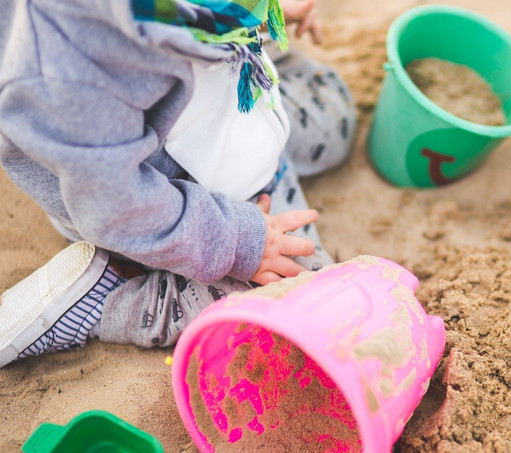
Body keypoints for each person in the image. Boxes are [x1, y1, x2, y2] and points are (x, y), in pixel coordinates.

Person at [0, 0, 356, 367]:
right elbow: (118, 209)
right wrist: (238, 243)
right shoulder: (66, 68)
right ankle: (110, 299)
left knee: (334, 114)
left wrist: (260, 12)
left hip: (229, 107)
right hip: (171, 211)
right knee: (307, 296)